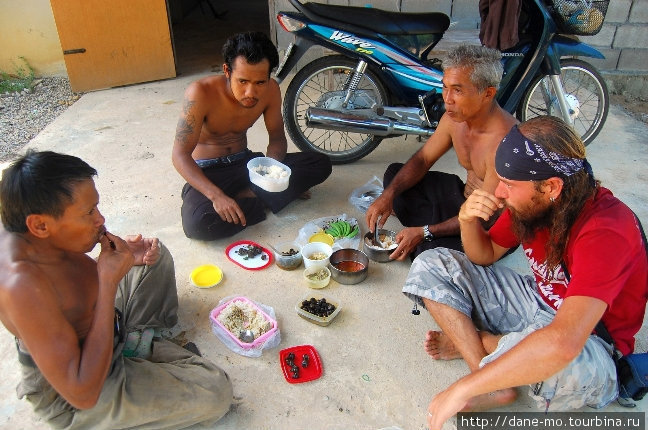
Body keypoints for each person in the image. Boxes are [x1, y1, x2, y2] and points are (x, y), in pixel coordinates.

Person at [400, 117, 648, 429]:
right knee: (431, 263)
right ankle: (490, 374)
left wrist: (460, 389)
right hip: (537, 299)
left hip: (590, 338)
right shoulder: (533, 204)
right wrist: (466, 220)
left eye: (509, 184)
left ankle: (481, 343)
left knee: (565, 368)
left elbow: (564, 341)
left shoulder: (608, 231)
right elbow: (484, 255)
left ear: (552, 186)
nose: (498, 192)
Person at [0, 151, 233, 429]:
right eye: (88, 213)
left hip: (107, 327)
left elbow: (73, 287)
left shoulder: (32, 230)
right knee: (216, 391)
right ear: (40, 225)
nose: (100, 219)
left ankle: (136, 348)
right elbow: (82, 393)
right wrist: (108, 282)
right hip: (83, 391)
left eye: (96, 208)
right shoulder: (21, 288)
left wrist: (121, 259)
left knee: (152, 260)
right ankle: (138, 355)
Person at [172, 31, 332, 240]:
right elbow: (179, 155)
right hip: (210, 172)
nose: (250, 92)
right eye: (243, 81)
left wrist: (271, 175)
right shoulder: (200, 93)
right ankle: (262, 200)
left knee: (319, 163)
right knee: (198, 225)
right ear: (227, 71)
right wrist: (217, 196)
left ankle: (248, 198)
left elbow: (276, 138)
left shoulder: (271, 90)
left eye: (259, 83)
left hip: (248, 166)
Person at [365, 44, 518, 261]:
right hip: (462, 200)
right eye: (445, 87)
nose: (447, 99)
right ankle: (426, 232)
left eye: (458, 90)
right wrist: (387, 195)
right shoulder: (454, 119)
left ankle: (425, 235)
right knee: (394, 177)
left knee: (431, 255)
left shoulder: (506, 143)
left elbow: (485, 216)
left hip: (486, 226)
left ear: (488, 93)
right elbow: (423, 159)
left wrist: (424, 231)